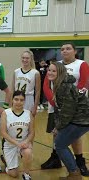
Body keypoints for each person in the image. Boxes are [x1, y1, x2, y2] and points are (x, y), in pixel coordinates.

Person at [42, 42, 89, 177]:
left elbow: (84, 83)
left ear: (75, 51)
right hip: (60, 107)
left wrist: (71, 101)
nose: (65, 51)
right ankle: (56, 158)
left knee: (66, 138)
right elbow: (47, 85)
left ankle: (77, 166)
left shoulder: (80, 64)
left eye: (68, 48)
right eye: (62, 49)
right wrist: (55, 101)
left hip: (75, 111)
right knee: (58, 136)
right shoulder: (56, 65)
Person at [0, 90, 34, 180]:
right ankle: (7, 165)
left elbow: (32, 132)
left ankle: (26, 174)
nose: (19, 102)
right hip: (10, 144)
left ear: (24, 101)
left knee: (28, 152)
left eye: (21, 100)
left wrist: (26, 142)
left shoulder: (28, 113)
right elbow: (3, 132)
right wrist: (17, 143)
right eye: (16, 99)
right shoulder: (5, 113)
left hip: (23, 143)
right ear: (12, 100)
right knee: (14, 174)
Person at [12, 50, 41, 117]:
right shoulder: (16, 72)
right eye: (23, 58)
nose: (25, 60)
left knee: (28, 122)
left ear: (31, 59)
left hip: (28, 99)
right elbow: (12, 89)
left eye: (27, 58)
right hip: (17, 98)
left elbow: (38, 92)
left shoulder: (35, 73)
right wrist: (11, 104)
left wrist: (35, 107)